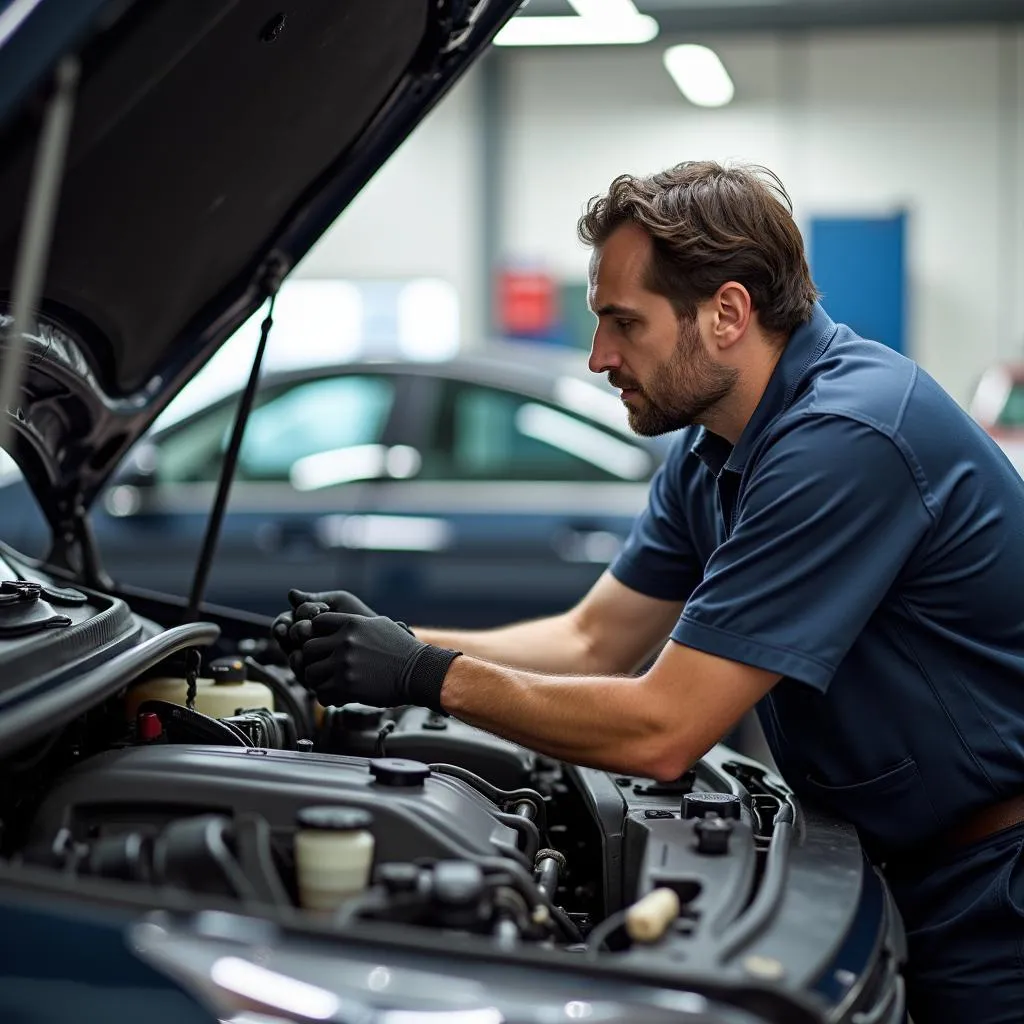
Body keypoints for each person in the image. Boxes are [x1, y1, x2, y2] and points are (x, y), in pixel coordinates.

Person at [274, 161, 1024, 1023]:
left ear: (728, 314)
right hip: (897, 866)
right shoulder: (712, 448)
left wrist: (426, 676)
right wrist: (389, 641)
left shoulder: (846, 439)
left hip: (993, 892)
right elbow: (592, 639)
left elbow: (666, 728)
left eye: (622, 323)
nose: (598, 357)